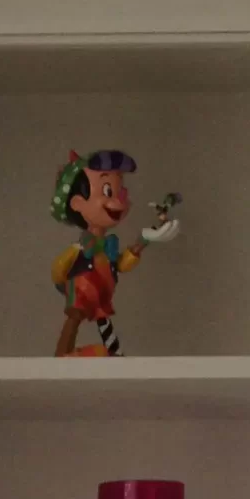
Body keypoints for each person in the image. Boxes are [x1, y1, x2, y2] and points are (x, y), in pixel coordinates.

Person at [50, 149, 179, 357]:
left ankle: (114, 354)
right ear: (77, 203)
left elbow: (121, 265)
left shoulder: (108, 245)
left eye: (120, 192)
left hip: (102, 291)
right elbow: (58, 269)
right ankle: (60, 357)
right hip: (82, 288)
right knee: (75, 317)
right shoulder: (81, 248)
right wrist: (64, 281)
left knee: (103, 320)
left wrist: (144, 240)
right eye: (108, 191)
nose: (119, 201)